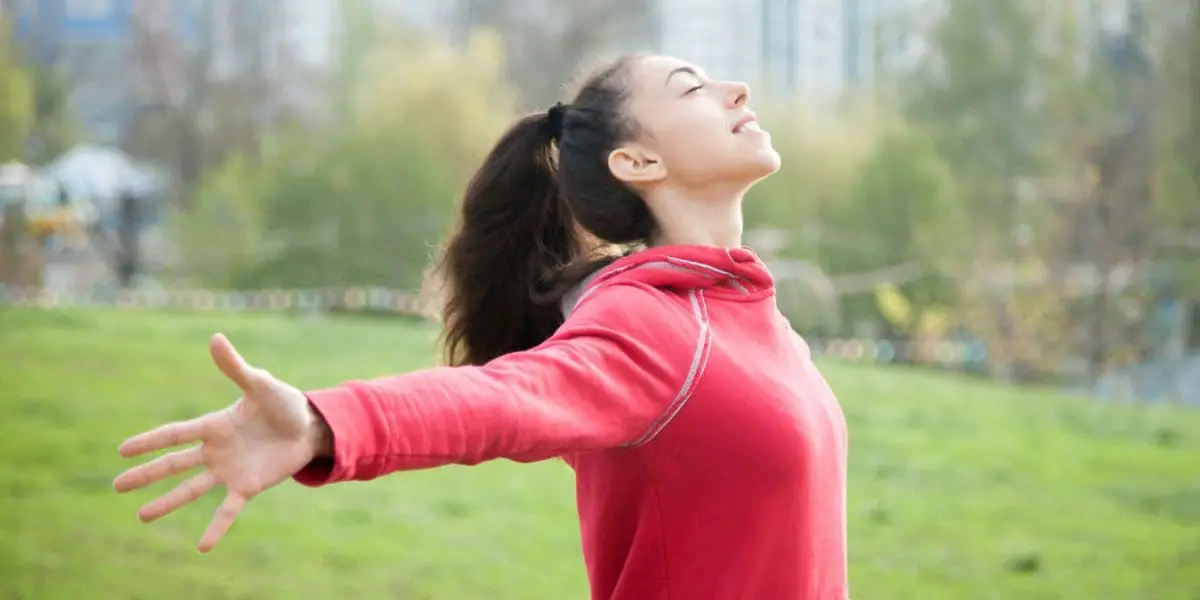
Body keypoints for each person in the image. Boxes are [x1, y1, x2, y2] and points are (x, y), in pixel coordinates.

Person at [112, 53, 850, 600]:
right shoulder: (651, 325)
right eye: (693, 87)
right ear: (638, 160)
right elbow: (500, 399)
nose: (736, 88)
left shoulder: (755, 321)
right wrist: (322, 423)